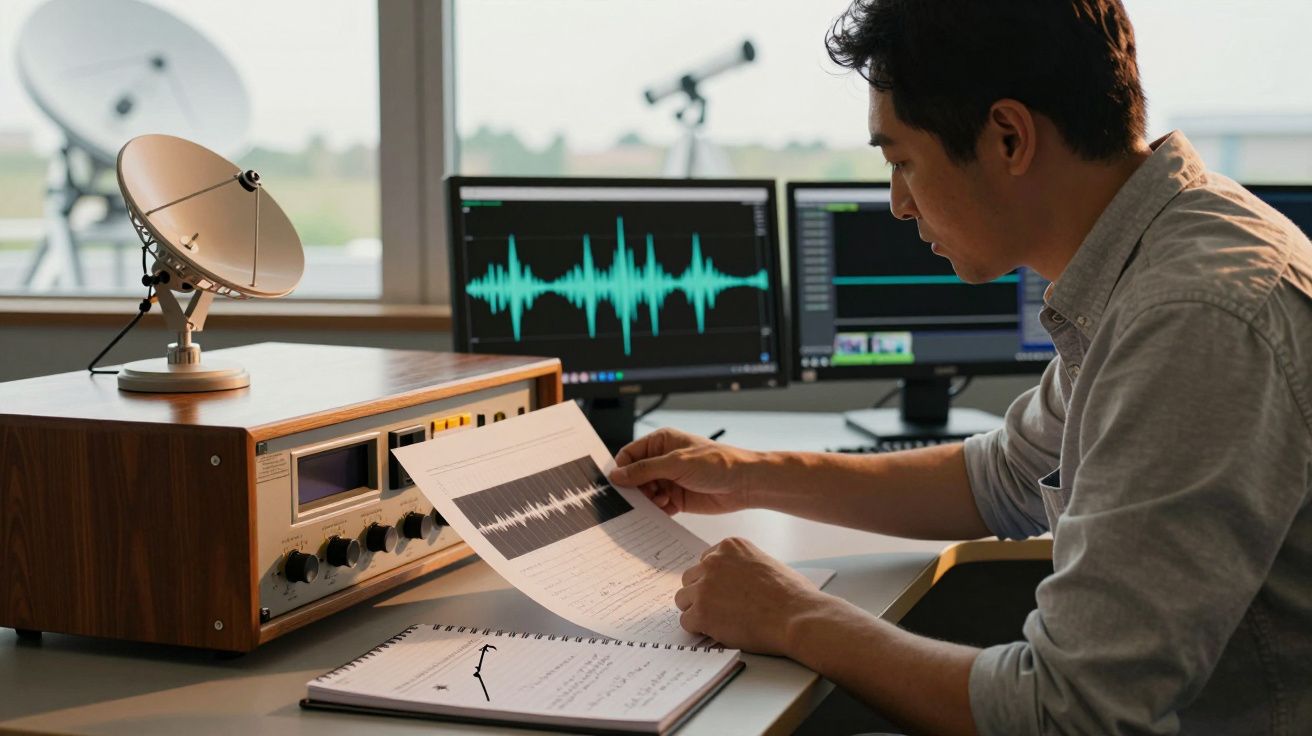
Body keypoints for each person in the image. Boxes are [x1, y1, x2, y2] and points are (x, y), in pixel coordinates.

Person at [607, 0, 1312, 733]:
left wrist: (793, 616)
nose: (897, 204)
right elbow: (1004, 476)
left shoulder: (1193, 318)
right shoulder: (1158, 256)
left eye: (902, 161)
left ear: (1008, 137)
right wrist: (746, 474)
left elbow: (1067, 714)